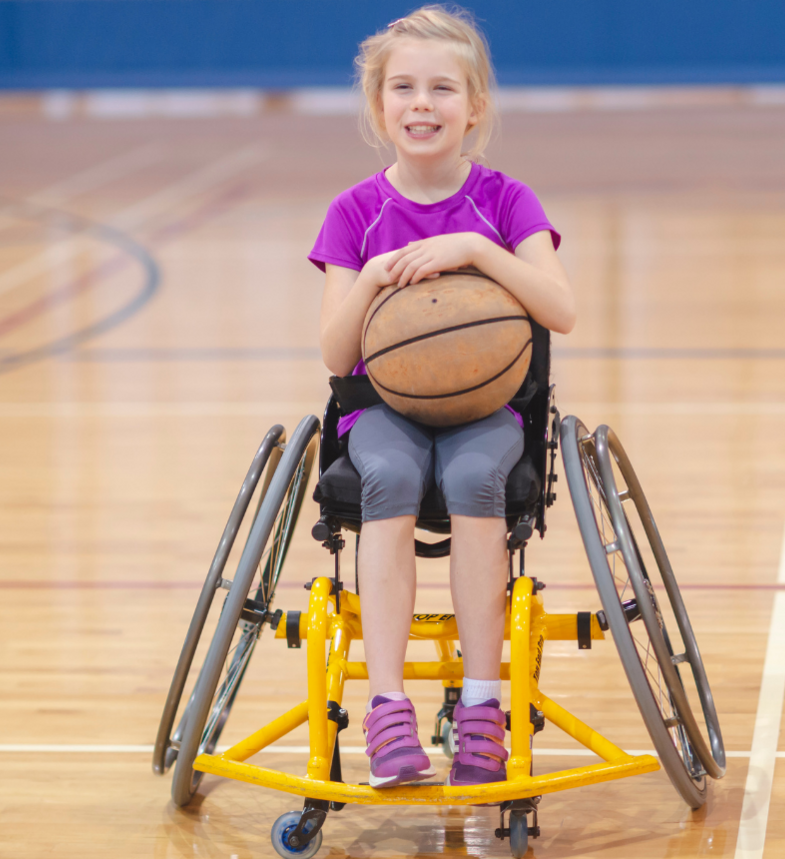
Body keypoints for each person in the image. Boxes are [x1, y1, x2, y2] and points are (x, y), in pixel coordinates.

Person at [310, 5, 575, 788]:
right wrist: (367, 283)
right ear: (378, 106)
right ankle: (387, 705)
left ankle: (483, 704)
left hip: (485, 407)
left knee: (471, 479)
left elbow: (561, 309)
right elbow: (334, 353)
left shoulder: (505, 202)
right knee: (389, 479)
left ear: (475, 107)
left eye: (441, 89)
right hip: (382, 405)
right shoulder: (355, 212)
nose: (422, 103)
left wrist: (475, 250)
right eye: (403, 88)